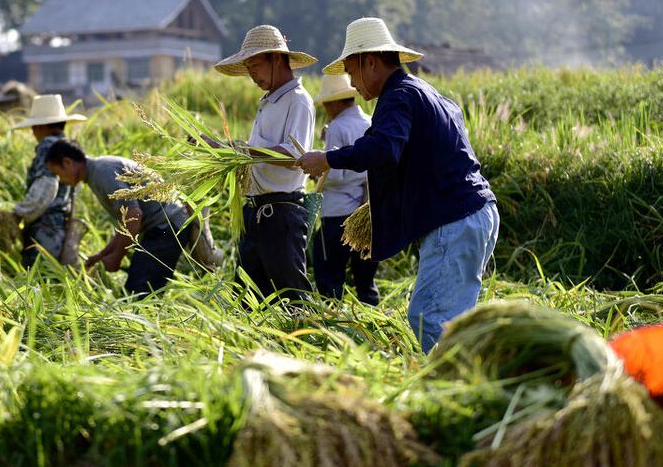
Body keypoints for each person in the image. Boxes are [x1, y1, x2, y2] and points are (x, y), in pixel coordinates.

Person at [297, 17, 499, 352]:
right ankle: (473, 384)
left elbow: (383, 149)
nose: (352, 83)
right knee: (457, 323)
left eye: (351, 72)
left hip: (456, 220)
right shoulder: (425, 92)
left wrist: (328, 159)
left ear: (370, 62)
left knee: (428, 318)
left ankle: (450, 389)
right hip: (477, 213)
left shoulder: (398, 97)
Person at [210, 24, 317, 303]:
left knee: (292, 297)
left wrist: (246, 151)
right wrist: (225, 152)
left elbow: (295, 156)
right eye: (247, 68)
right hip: (256, 213)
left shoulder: (298, 101)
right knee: (248, 299)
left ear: (276, 59)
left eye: (254, 65)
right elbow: (256, 154)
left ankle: (308, 341)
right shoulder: (268, 102)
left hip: (281, 213)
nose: (252, 74)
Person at [44, 138, 189, 297]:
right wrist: (103, 254)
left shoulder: (102, 172)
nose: (61, 180)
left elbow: (134, 216)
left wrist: (117, 257)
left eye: (58, 174)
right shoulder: (96, 172)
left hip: (167, 226)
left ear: (67, 162)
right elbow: (126, 223)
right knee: (140, 287)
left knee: (139, 293)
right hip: (164, 226)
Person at [311, 73, 379, 305]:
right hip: (367, 212)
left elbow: (335, 174)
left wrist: (314, 173)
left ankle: (333, 323)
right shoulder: (370, 121)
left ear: (337, 102)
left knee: (329, 273)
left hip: (337, 212)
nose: (326, 108)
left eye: (328, 103)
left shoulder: (337, 127)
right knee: (365, 278)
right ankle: (372, 322)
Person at [10, 95, 86, 268]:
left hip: (44, 231)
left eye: (34, 127)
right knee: (54, 283)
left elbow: (47, 186)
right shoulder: (68, 147)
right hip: (60, 227)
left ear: (41, 126)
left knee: (37, 281)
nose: (33, 132)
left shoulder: (47, 147)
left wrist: (17, 214)